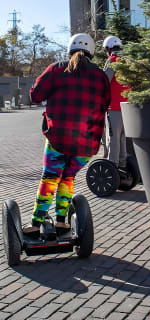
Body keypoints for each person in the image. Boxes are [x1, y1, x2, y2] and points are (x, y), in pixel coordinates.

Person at [23, 33, 111, 238]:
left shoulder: (56, 69)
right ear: (92, 52)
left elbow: (35, 96)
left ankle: (36, 223)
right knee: (68, 177)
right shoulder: (100, 76)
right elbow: (105, 104)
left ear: (70, 49)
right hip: (86, 144)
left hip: (59, 140)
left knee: (51, 177)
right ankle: (61, 222)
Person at [102, 35, 130, 172]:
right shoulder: (127, 61)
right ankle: (123, 166)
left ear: (108, 48)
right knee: (122, 138)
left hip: (114, 106)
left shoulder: (112, 60)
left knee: (112, 138)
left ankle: (112, 167)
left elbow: (104, 81)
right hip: (127, 106)